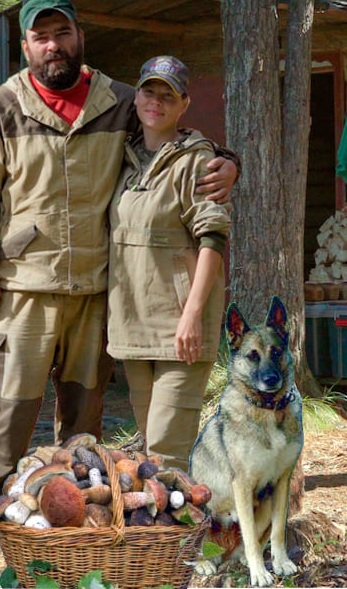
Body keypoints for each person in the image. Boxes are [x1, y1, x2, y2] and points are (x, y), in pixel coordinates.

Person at [0, 0, 238, 589]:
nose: (53, 45)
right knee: (2, 429)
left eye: (63, 33)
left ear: (80, 37)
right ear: (26, 47)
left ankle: (75, 553)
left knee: (83, 441)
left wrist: (228, 161)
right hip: (21, 295)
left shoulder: (118, 102)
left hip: (96, 299)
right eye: (40, 37)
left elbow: (173, 139)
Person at [107, 56, 229, 472]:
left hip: (181, 329)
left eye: (167, 95)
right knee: (151, 454)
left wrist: (192, 315)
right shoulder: (120, 158)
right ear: (136, 96)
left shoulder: (197, 161)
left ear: (184, 104)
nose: (155, 102)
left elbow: (213, 238)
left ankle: (187, 539)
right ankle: (164, 535)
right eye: (149, 91)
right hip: (133, 324)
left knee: (166, 451)